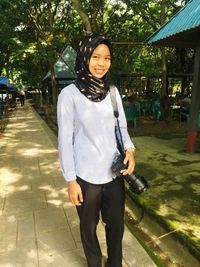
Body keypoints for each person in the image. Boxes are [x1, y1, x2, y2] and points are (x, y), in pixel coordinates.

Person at [57, 34, 135, 267]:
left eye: (107, 58)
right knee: (88, 228)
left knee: (116, 226)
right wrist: (71, 180)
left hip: (113, 173)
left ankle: (115, 264)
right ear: (84, 58)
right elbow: (64, 140)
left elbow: (121, 128)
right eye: (96, 56)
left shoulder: (112, 92)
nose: (101, 63)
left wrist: (130, 150)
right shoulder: (68, 95)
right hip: (85, 177)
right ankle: (94, 263)